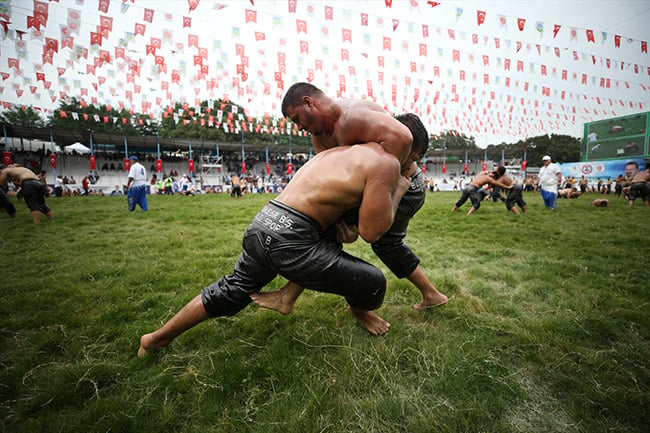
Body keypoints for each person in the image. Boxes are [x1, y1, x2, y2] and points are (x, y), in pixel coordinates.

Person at [137, 139, 423, 357]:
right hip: (291, 239)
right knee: (373, 283)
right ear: (405, 146)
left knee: (232, 289)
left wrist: (344, 232)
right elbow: (372, 233)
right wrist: (398, 188)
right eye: (413, 161)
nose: (412, 169)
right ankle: (359, 311)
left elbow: (341, 227)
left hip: (264, 222)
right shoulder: (383, 165)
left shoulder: (341, 152)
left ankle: (156, 337)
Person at [251, 113, 448, 314]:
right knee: (334, 228)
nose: (409, 163)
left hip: (408, 191)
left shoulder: (402, 167)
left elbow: (371, 230)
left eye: (414, 158)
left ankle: (420, 296)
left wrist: (357, 228)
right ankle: (289, 297)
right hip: (396, 188)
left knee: (386, 244)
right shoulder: (375, 139)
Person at [280, 82, 413, 165]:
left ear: (308, 103)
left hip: (409, 185)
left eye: (297, 118)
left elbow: (402, 137)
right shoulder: (318, 135)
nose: (299, 127)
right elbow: (327, 171)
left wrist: (391, 180)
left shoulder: (354, 116)